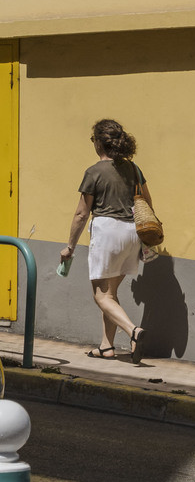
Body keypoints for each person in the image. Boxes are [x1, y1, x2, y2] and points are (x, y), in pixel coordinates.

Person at [58, 119, 153, 362]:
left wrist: (70, 246)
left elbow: (81, 214)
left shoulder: (94, 172)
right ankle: (106, 346)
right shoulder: (133, 168)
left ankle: (133, 331)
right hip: (132, 233)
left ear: (99, 143)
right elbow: (147, 202)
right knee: (110, 294)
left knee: (101, 296)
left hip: (107, 232)